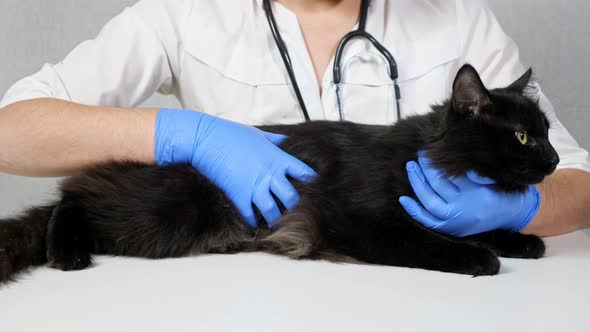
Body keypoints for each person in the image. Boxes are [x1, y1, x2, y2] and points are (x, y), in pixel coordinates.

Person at [0, 0, 588, 236]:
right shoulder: (183, 11)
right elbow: (12, 131)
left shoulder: (458, 18)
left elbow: (582, 186)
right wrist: (188, 134)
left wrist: (522, 208)